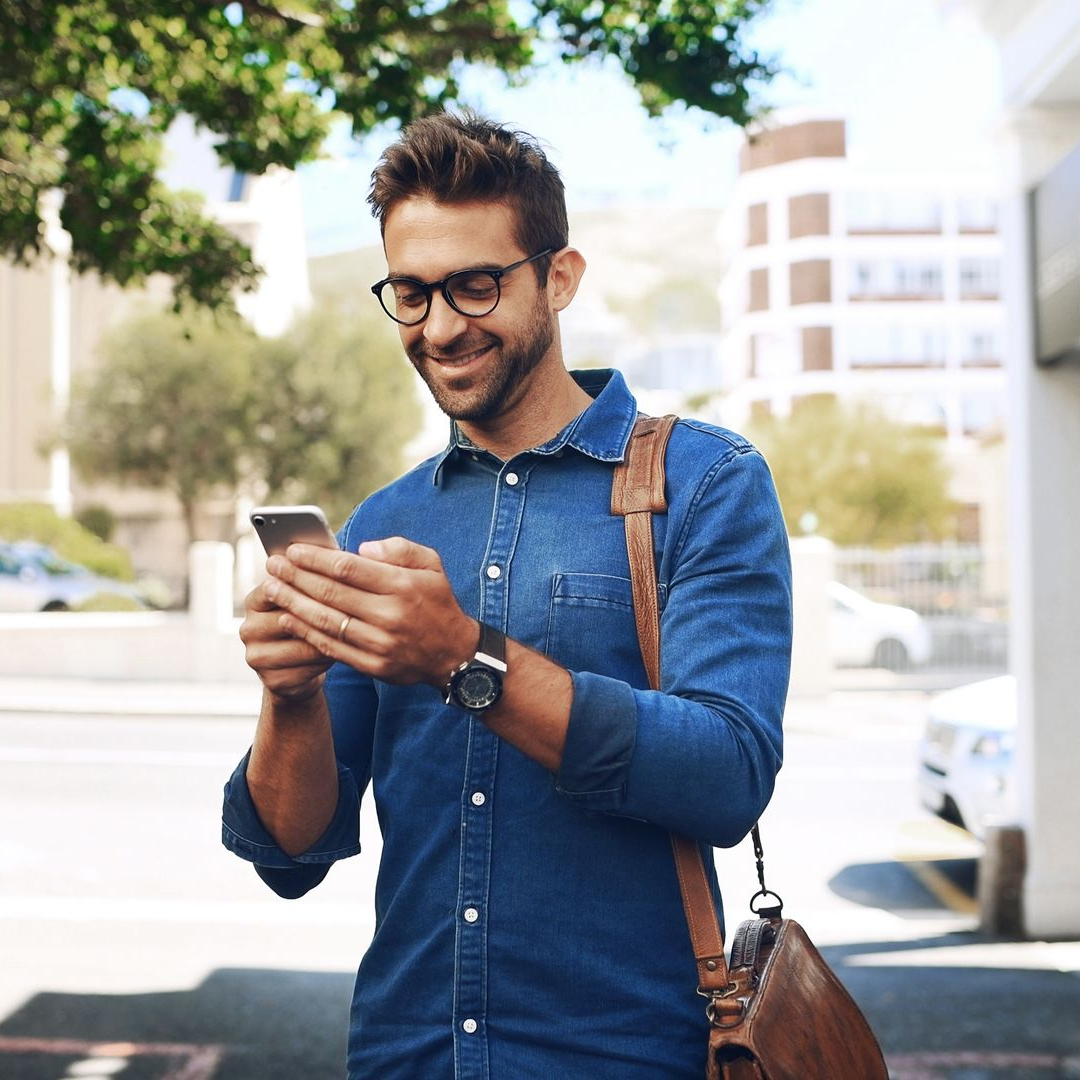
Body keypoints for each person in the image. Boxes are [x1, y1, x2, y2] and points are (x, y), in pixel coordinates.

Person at [222, 110, 792, 1080]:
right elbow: (294, 851)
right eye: (411, 294)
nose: (440, 327)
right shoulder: (377, 524)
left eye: (475, 285)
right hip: (408, 1057)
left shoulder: (705, 485)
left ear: (558, 277)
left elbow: (726, 776)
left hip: (626, 1060)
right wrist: (290, 695)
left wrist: (462, 656)